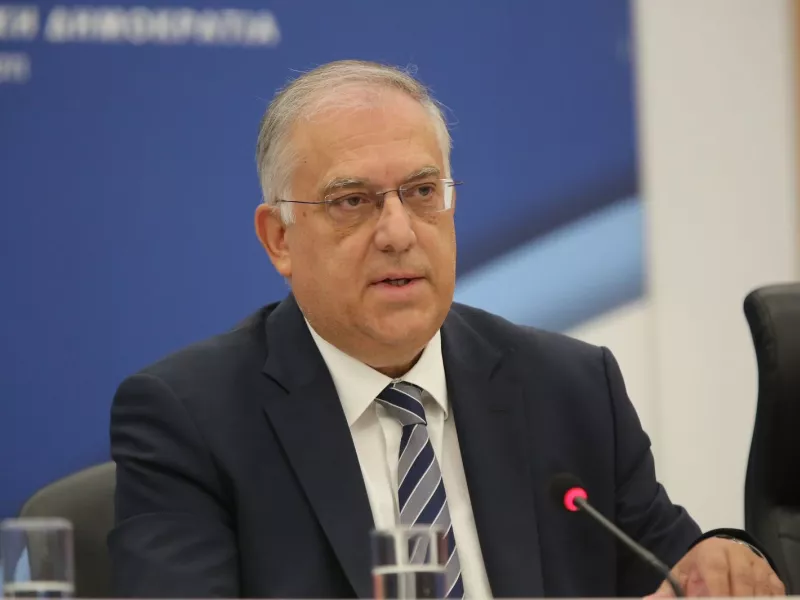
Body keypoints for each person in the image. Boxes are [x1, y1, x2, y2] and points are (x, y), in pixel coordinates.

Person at [109, 60, 785, 598]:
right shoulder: (192, 419)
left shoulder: (571, 388)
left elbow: (672, 563)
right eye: (353, 201)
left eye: (423, 192)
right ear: (279, 239)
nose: (398, 233)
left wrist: (723, 558)